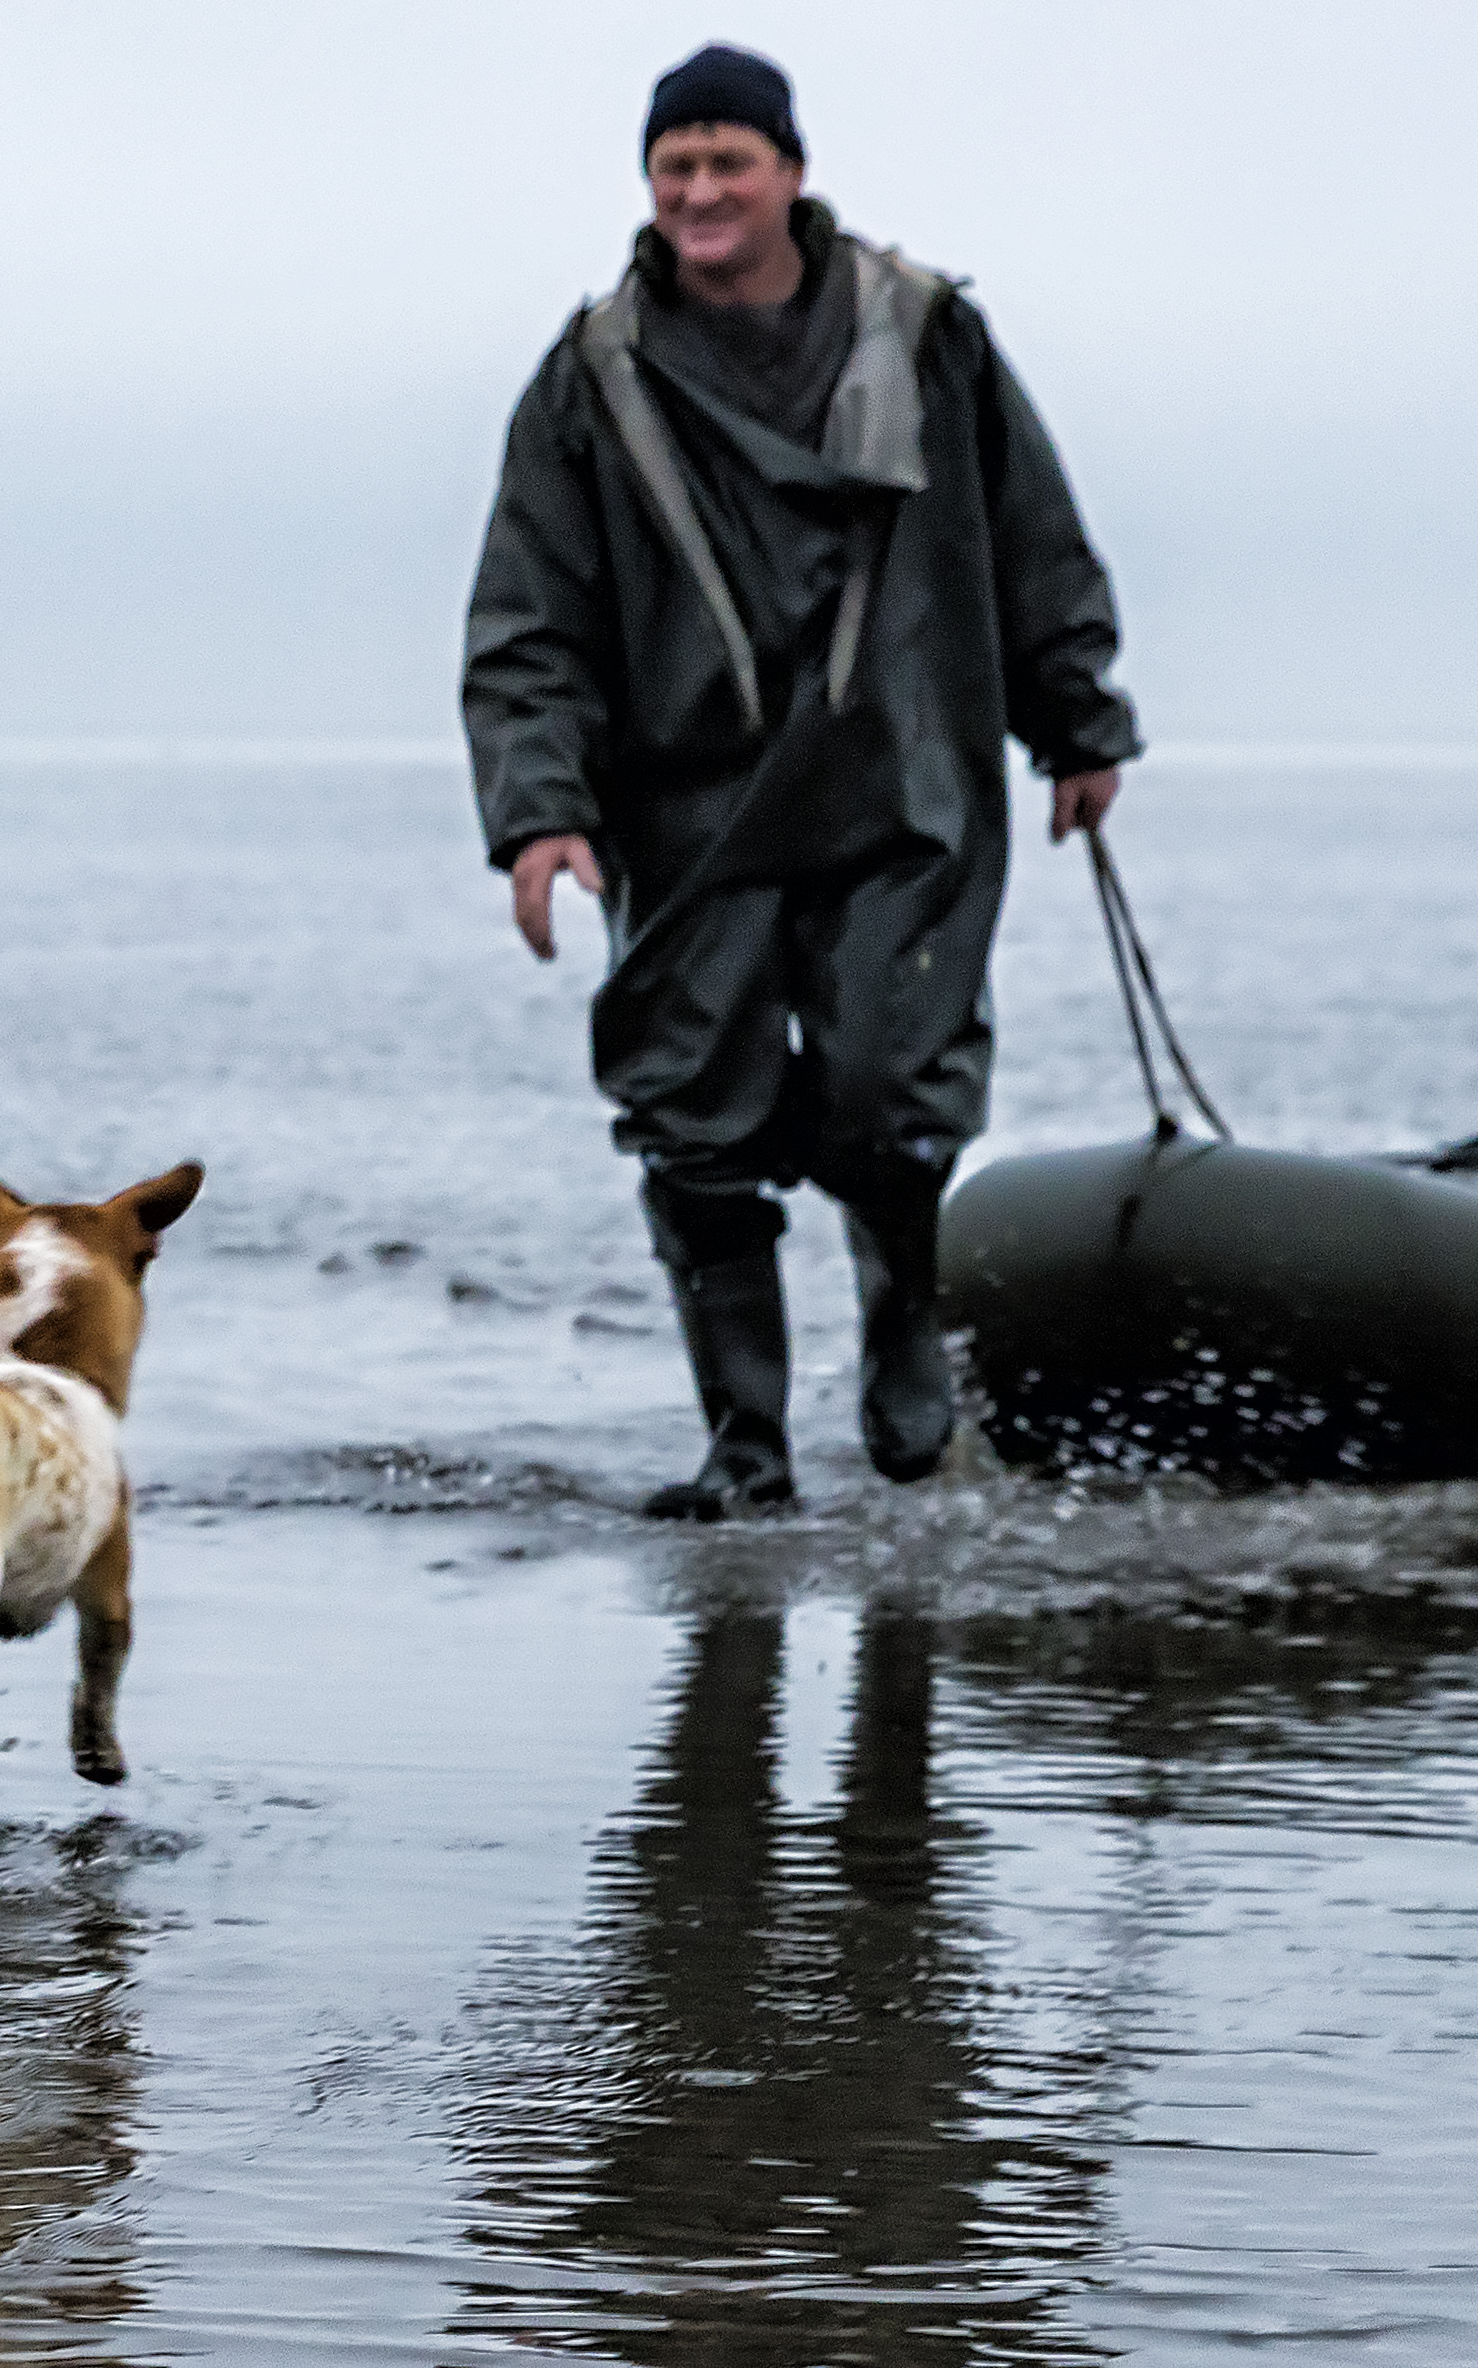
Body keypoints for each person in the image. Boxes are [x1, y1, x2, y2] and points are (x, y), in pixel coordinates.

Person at [463, 42, 1142, 1520]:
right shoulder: (593, 371)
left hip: (902, 780)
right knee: (693, 1117)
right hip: (686, 811)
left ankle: (906, 1335)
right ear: (652, 185)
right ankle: (747, 1450)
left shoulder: (927, 329)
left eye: (729, 161)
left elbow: (1036, 531)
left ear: (791, 171)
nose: (702, 190)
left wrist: (1078, 723)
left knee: (895, 1092)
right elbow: (528, 615)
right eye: (676, 166)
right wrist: (540, 813)